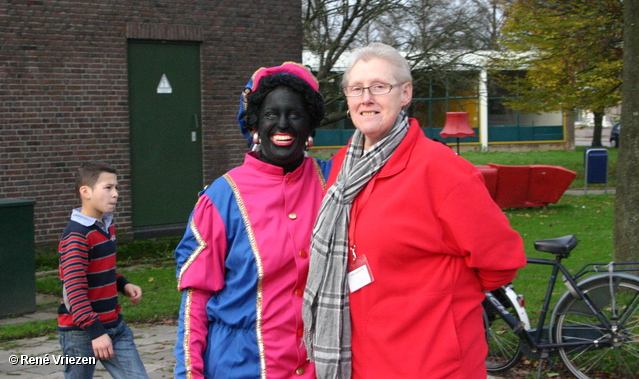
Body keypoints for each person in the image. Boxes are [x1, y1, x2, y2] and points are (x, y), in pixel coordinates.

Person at [302, 43, 527, 379]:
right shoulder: (340, 169)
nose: (367, 98)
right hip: (361, 361)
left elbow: (500, 261)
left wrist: (443, 301)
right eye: (356, 88)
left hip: (432, 364)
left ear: (405, 93)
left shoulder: (443, 171)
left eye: (380, 87)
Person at [174, 62, 331, 379]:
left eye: (295, 114)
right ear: (255, 124)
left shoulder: (333, 183)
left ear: (310, 125)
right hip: (239, 367)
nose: (283, 124)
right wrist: (189, 373)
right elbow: (196, 298)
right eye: (272, 114)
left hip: (320, 368)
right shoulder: (221, 199)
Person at [57, 161, 148, 379]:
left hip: (115, 327)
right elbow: (73, 290)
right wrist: (95, 332)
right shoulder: (77, 236)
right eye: (108, 188)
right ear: (85, 192)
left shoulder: (106, 227)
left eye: (117, 188)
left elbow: (102, 269)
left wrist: (123, 284)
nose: (115, 194)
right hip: (81, 333)